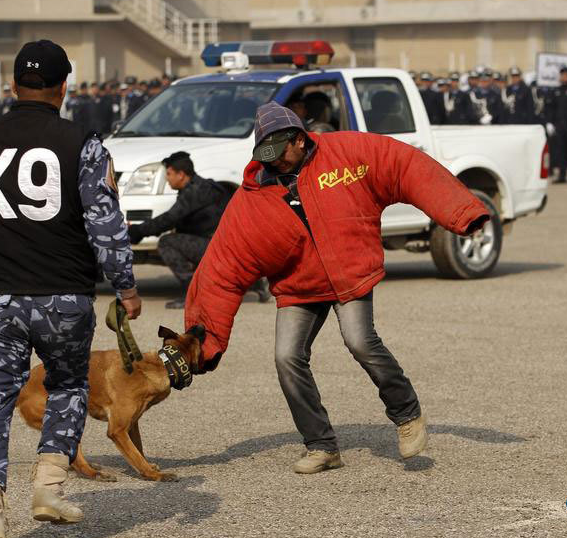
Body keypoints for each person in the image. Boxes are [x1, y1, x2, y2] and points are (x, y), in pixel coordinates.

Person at [183, 101, 490, 473]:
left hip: (350, 273)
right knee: (286, 358)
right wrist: (204, 342)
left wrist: (462, 213)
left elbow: (408, 167)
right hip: (301, 286)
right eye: (266, 156)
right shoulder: (253, 194)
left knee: (360, 341)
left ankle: (408, 416)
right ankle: (322, 446)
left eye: (280, 154)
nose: (275, 163)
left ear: (300, 140)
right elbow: (221, 268)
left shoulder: (347, 153)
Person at [0, 39, 140, 538]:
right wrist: (125, 285)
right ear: (64, 87)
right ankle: (49, 488)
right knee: (70, 386)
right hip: (62, 295)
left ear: (12, 85)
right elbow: (105, 223)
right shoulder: (84, 143)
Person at [127, 151, 245, 308]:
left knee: (167, 243)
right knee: (180, 236)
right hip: (233, 250)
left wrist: (136, 231)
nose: (167, 179)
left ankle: (193, 294)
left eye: (169, 174)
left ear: (181, 175)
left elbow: (167, 220)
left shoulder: (194, 192)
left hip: (221, 250)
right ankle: (256, 284)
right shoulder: (205, 186)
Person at [547, 66, 567, 183]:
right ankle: (562, 175)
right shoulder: (556, 90)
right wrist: (550, 122)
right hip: (559, 124)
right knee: (561, 151)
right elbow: (552, 108)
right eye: (562, 75)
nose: (563, 77)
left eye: (565, 75)